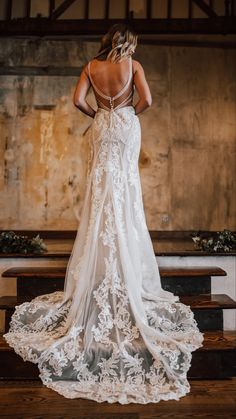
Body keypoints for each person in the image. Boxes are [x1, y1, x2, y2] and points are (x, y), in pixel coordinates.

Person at [4, 24, 203, 404]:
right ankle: (124, 259)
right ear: (127, 44)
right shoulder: (134, 64)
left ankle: (100, 262)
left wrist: (100, 113)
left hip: (101, 124)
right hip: (125, 123)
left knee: (101, 188)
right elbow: (148, 101)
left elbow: (78, 101)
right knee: (125, 189)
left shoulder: (91, 66)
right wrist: (126, 111)